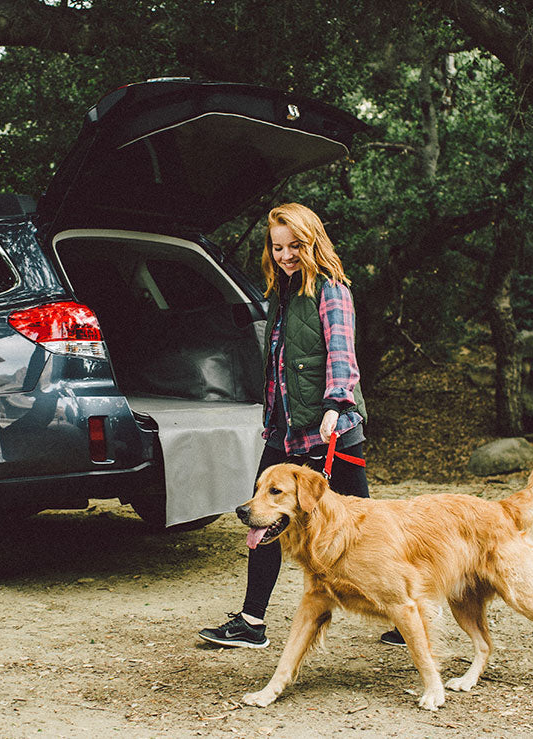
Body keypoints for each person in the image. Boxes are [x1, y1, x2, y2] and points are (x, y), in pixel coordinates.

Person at [198, 202, 403, 648]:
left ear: (312, 242)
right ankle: (251, 622)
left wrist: (335, 404)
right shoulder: (282, 292)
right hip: (285, 430)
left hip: (331, 427)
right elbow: (279, 364)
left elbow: (342, 355)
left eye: (294, 246)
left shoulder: (332, 290)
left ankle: (404, 614)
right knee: (265, 515)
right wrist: (270, 417)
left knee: (366, 529)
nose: (286, 255)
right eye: (277, 247)